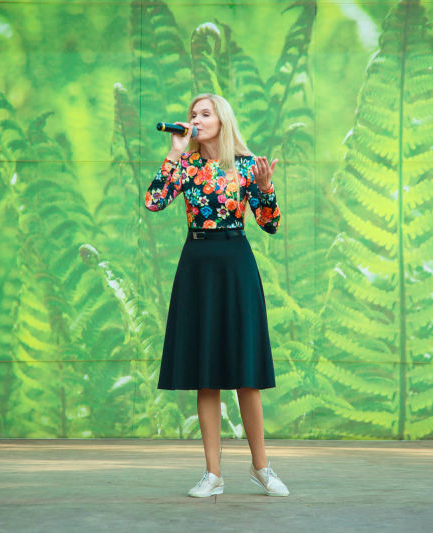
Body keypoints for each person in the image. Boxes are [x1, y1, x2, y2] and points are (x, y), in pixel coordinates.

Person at [144, 93, 289, 498]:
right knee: (205, 375)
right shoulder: (185, 164)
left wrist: (266, 187)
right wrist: (174, 153)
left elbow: (270, 224)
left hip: (236, 265)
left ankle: (261, 467)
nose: (196, 119)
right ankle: (213, 474)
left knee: (246, 373)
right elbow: (153, 202)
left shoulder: (246, 165)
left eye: (204, 113)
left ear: (222, 120)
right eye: (193, 114)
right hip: (197, 266)